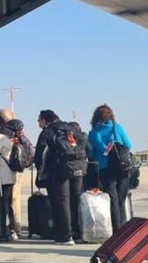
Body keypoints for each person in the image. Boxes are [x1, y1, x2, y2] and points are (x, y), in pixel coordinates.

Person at [35, 110, 85, 245]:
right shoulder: (71, 128)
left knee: (62, 202)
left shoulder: (47, 132)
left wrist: (41, 170)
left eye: (39, 120)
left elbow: (39, 154)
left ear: (45, 120)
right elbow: (87, 146)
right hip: (78, 168)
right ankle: (79, 233)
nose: (38, 122)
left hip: (59, 170)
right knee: (76, 200)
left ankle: (65, 235)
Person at [88, 104, 133, 232]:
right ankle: (124, 227)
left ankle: (116, 229)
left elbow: (91, 154)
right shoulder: (116, 127)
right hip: (122, 167)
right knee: (121, 198)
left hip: (105, 168)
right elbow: (129, 145)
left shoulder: (93, 133)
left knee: (112, 199)